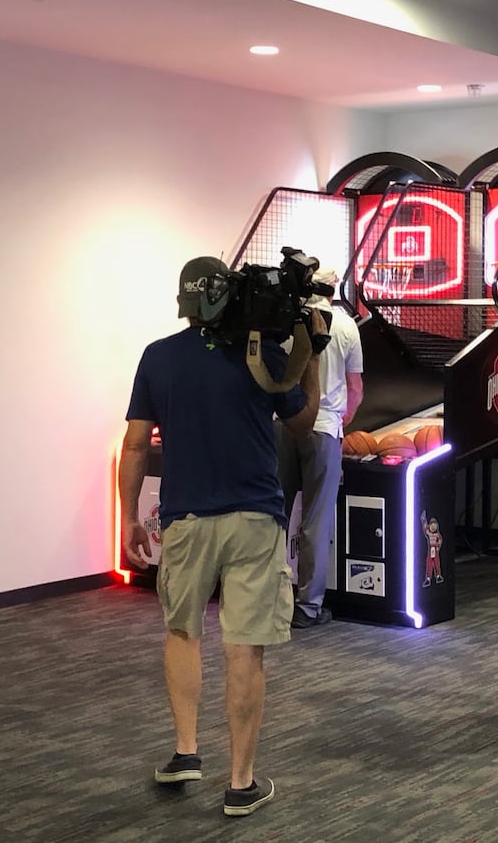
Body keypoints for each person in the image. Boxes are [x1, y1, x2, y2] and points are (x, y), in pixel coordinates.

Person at [119, 256, 322, 818]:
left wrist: (129, 516)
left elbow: (135, 444)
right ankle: (240, 782)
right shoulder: (261, 355)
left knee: (182, 631)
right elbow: (304, 421)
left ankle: (187, 751)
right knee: (244, 646)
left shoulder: (158, 357)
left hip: (185, 520)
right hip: (255, 518)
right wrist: (313, 353)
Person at [276, 268, 363, 628]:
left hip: (283, 424)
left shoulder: (284, 321)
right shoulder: (345, 326)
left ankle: (267, 597)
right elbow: (355, 387)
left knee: (273, 517)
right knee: (315, 520)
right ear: (334, 290)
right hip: (324, 428)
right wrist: (342, 422)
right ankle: (307, 607)